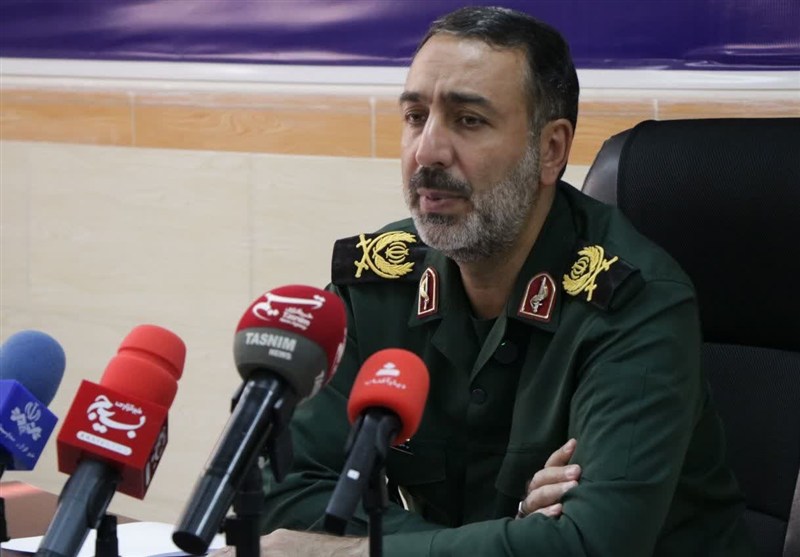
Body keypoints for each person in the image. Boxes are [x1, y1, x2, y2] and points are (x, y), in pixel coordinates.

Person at [220, 6, 755, 556]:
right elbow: (278, 492)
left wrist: (356, 552)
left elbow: (591, 545)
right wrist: (516, 538)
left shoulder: (633, 303)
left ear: (550, 150)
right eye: (415, 116)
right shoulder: (378, 281)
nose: (427, 151)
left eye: (468, 120)